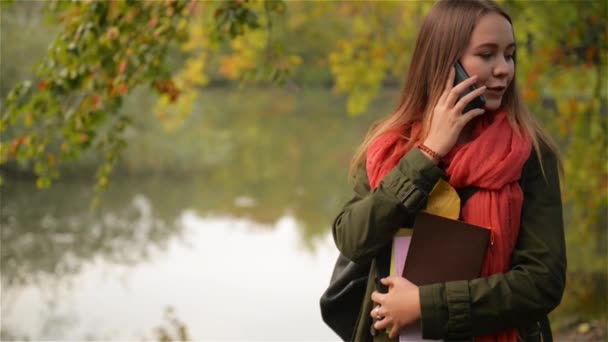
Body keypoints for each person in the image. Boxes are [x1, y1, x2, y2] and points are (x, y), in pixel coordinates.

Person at [330, 0, 566, 341]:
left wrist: (427, 306)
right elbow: (353, 241)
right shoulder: (390, 148)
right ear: (444, 63)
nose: (504, 69)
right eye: (487, 55)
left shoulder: (528, 152)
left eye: (509, 55)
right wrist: (427, 156)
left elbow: (543, 282)